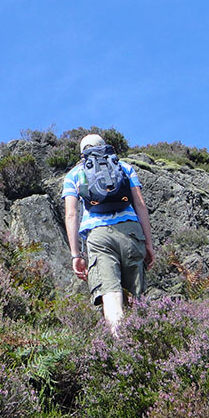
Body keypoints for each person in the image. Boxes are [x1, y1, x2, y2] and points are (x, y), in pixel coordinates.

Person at [62, 134, 155, 337]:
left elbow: (71, 214)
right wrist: (148, 243)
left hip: (98, 235)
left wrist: (76, 254)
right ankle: (144, 346)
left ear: (82, 152)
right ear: (105, 147)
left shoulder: (74, 175)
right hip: (131, 232)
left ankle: (122, 346)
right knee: (137, 297)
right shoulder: (124, 167)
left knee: (111, 293)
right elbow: (140, 205)